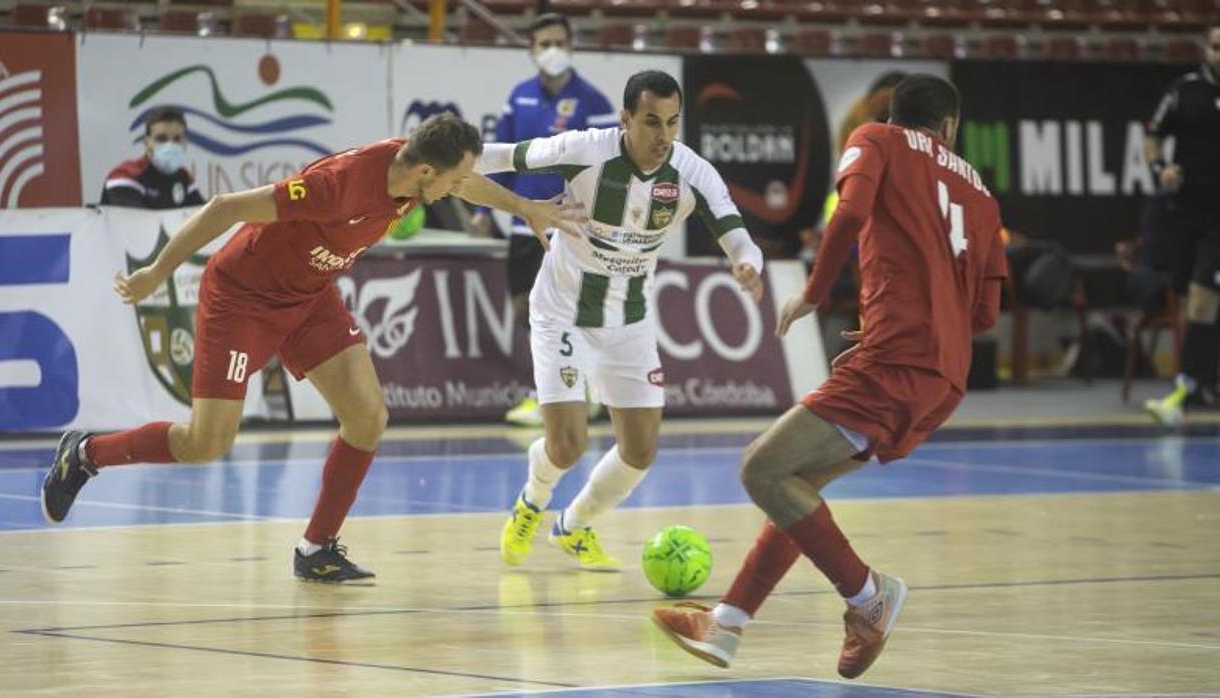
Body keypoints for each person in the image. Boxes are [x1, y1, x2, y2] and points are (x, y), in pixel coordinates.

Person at [40, 114, 576, 584]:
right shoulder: (335, 187)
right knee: (207, 442)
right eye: (454, 178)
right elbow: (224, 209)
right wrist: (157, 273)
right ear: (426, 172)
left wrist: (524, 207)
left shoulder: (418, 172)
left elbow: (469, 187)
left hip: (309, 297)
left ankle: (316, 549)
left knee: (367, 417)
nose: (459, 188)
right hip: (242, 298)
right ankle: (86, 454)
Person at [649, 74, 1006, 680]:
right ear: (949, 127)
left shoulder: (878, 139)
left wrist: (815, 294)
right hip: (942, 377)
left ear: (895, 116)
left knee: (760, 467)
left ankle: (869, 597)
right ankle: (727, 624)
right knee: (796, 488)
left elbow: (850, 214)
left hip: (895, 361)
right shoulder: (982, 195)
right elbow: (984, 314)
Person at [477, 70, 765, 570]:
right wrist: (427, 160)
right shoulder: (586, 149)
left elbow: (736, 231)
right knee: (566, 444)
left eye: (672, 123)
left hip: (629, 320)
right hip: (564, 310)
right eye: (652, 122)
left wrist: (747, 264)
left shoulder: (691, 171)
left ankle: (574, 526)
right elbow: (503, 156)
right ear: (626, 118)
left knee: (641, 449)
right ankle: (532, 501)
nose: (663, 136)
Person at [468, 13, 619, 427]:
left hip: (570, 225)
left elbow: (611, 168)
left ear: (571, 45)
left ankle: (564, 394)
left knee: (561, 310)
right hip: (523, 222)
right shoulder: (518, 97)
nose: (552, 50)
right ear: (532, 50)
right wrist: (483, 210)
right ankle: (567, 389)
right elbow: (496, 158)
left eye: (559, 41)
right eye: (544, 43)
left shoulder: (594, 102)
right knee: (523, 310)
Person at [1143, 22, 1220, 425]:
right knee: (1195, 304)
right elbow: (1153, 136)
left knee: (1204, 300)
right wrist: (1161, 168)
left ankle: (1185, 388)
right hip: (1186, 212)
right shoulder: (1183, 91)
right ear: (1205, 50)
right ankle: (1205, 383)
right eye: (1215, 47)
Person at [101, 106, 206, 209]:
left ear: (185, 143)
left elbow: (206, 218)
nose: (170, 145)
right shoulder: (126, 174)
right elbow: (134, 221)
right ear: (147, 143)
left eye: (177, 139)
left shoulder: (184, 177)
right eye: (161, 139)